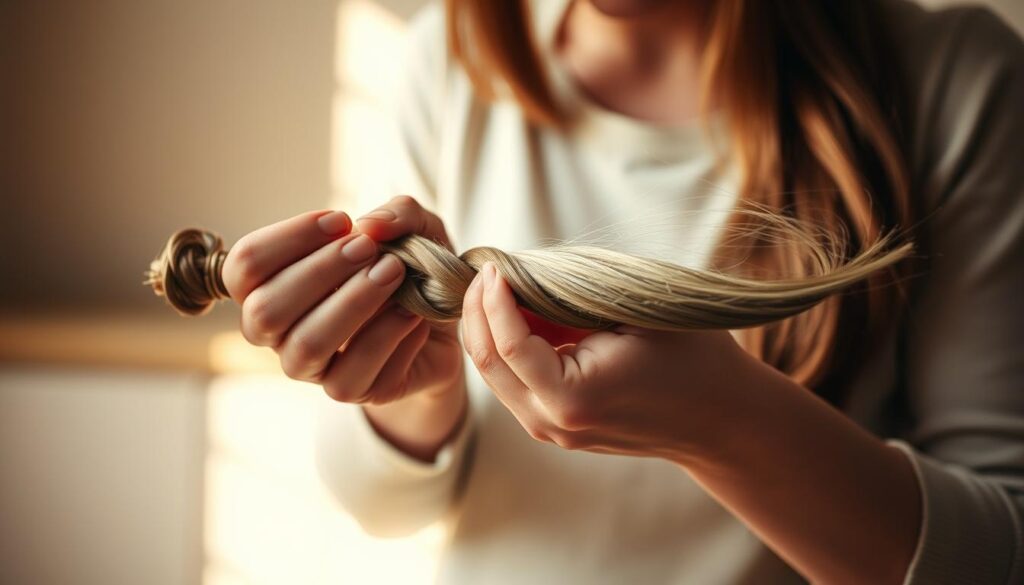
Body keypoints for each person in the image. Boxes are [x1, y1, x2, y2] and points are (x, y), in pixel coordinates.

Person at [220, 1, 1024, 583]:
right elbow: (383, 507)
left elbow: (1001, 554)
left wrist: (725, 424)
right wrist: (411, 393)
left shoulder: (956, 85)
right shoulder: (446, 61)